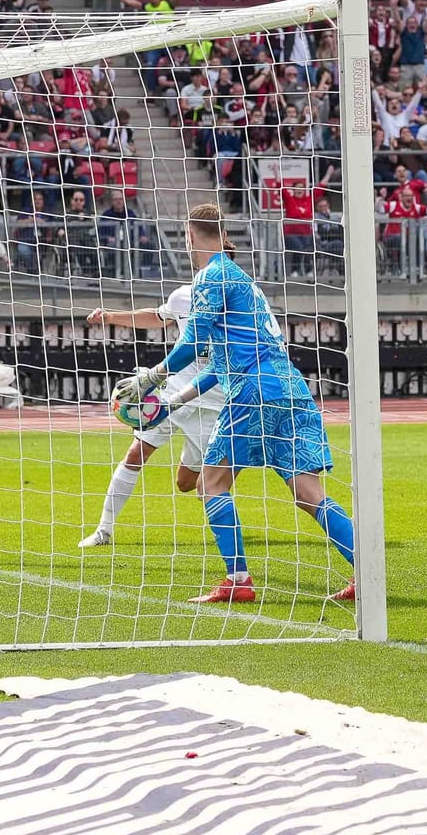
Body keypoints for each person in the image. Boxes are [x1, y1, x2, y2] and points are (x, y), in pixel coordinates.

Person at [116, 203, 354, 604]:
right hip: (289, 387)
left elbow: (191, 345)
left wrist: (151, 377)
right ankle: (367, 572)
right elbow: (219, 365)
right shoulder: (245, 281)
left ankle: (238, 580)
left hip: (253, 390)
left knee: (211, 484)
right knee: (306, 491)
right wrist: (173, 401)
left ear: (189, 236)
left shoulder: (210, 277)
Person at [79, 286, 228, 549]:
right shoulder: (183, 295)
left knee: (186, 483)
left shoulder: (239, 298)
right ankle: (103, 530)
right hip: (175, 389)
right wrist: (111, 317)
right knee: (136, 453)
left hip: (213, 401)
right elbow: (158, 317)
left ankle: (216, 482)